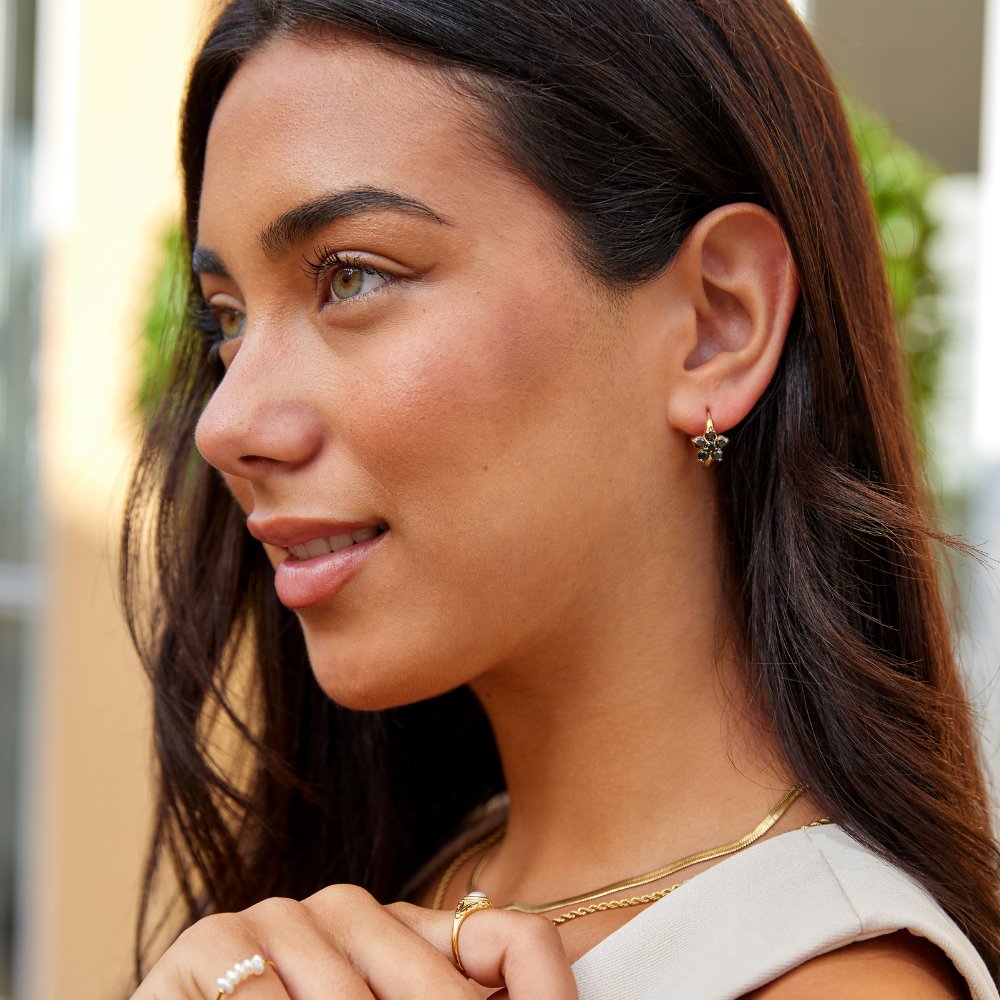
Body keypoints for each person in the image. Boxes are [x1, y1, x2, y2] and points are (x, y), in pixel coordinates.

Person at [121, 0, 1000, 997]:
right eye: (227, 318)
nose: (225, 423)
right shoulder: (377, 898)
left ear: (718, 321)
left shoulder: (836, 977)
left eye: (352, 277)